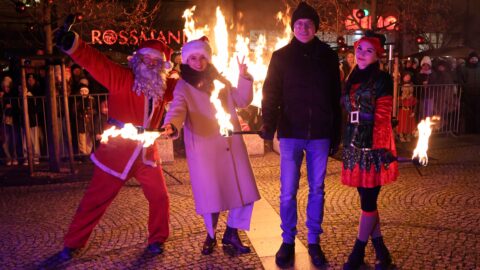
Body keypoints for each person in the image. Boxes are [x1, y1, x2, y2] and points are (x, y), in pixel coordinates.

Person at [55, 29, 176, 259]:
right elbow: (96, 62)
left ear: (162, 66)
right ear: (137, 60)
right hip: (116, 154)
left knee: (160, 197)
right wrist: (74, 44)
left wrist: (201, 71)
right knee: (95, 200)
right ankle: (73, 243)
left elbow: (186, 89)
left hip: (147, 155)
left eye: (156, 62)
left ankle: (157, 240)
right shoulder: (121, 78)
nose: (150, 65)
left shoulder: (163, 87)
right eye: (146, 59)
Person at [162, 36, 260, 256]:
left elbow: (242, 101)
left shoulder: (220, 81)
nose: (198, 62)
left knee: (244, 191)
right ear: (187, 61)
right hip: (205, 149)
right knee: (211, 197)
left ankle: (232, 233)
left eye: (202, 57)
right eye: (193, 58)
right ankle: (211, 235)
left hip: (232, 147)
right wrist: (171, 125)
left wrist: (244, 77)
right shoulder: (183, 86)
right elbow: (177, 109)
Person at [261, 2, 342, 268]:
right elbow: (270, 93)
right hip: (291, 132)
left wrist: (336, 133)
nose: (303, 28)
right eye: (298, 24)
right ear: (293, 27)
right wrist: (268, 126)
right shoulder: (281, 56)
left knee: (317, 189)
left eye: (308, 24)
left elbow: (335, 96)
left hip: (320, 133)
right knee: (287, 191)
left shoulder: (328, 56)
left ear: (315, 27)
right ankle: (287, 240)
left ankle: (314, 241)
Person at [340, 32, 399, 270]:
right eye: (359, 49)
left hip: (374, 146)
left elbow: (383, 116)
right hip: (354, 146)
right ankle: (382, 253)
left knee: (368, 202)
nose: (362, 54)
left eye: (368, 51)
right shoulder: (351, 77)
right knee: (368, 203)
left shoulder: (383, 79)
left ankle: (357, 253)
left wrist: (375, 145)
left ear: (377, 55)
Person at [459, 51, 480, 133]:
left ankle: (477, 130)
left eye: (475, 58)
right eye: (472, 58)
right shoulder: (464, 68)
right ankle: (469, 130)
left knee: (478, 113)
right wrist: (465, 86)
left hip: (479, 94)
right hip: (468, 94)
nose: (474, 60)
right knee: (469, 113)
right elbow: (461, 79)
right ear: (469, 59)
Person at [397, 73, 417, 142]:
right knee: (401, 124)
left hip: (409, 112)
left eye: (408, 88)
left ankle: (408, 136)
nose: (406, 90)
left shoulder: (412, 98)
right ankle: (401, 136)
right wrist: (402, 99)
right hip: (402, 112)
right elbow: (397, 105)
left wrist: (414, 112)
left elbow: (415, 105)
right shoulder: (400, 98)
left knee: (409, 125)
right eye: (405, 88)